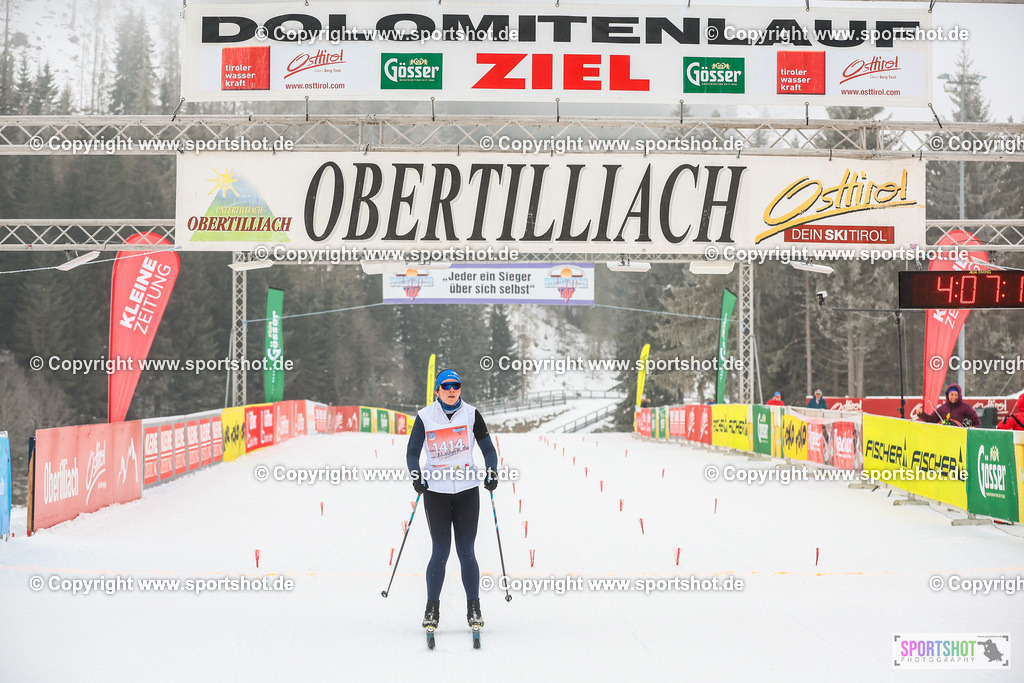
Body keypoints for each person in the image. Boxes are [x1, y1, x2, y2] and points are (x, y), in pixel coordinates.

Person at [406, 369, 498, 634]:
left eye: (455, 385)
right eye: (445, 386)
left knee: (467, 551)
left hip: (467, 491)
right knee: (440, 551)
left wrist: (491, 471)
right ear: (437, 390)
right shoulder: (425, 417)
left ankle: (474, 607)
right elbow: (412, 452)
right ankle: (431, 609)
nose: (451, 389)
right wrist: (416, 476)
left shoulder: (471, 414)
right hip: (436, 493)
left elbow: (488, 450)